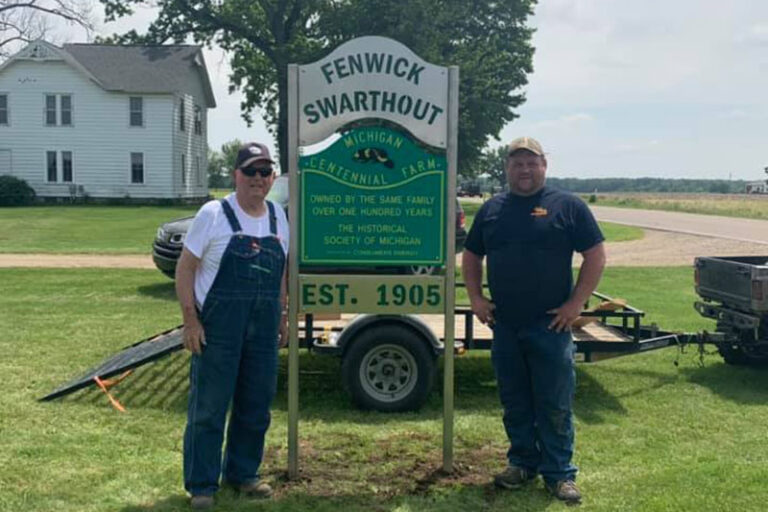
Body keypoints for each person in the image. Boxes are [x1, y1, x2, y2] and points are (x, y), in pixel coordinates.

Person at [462, 137, 606, 503]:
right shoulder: (492, 209)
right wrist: (476, 297)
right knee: (515, 399)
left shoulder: (568, 206)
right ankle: (522, 463)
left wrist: (576, 303)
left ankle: (559, 474)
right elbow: (471, 254)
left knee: (555, 401)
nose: (524, 170)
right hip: (506, 324)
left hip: (551, 325)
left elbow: (595, 255)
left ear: (545, 165)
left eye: (532, 163)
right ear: (506, 168)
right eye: (517, 163)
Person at [175, 142, 289, 509]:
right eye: (251, 171)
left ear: (272, 177)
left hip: (263, 327)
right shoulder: (213, 213)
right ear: (235, 175)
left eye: (265, 172)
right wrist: (190, 321)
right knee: (209, 407)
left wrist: (283, 313)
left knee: (256, 404)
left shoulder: (277, 216)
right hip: (219, 329)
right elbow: (186, 268)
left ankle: (243, 474)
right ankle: (202, 485)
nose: (258, 179)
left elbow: (283, 269)